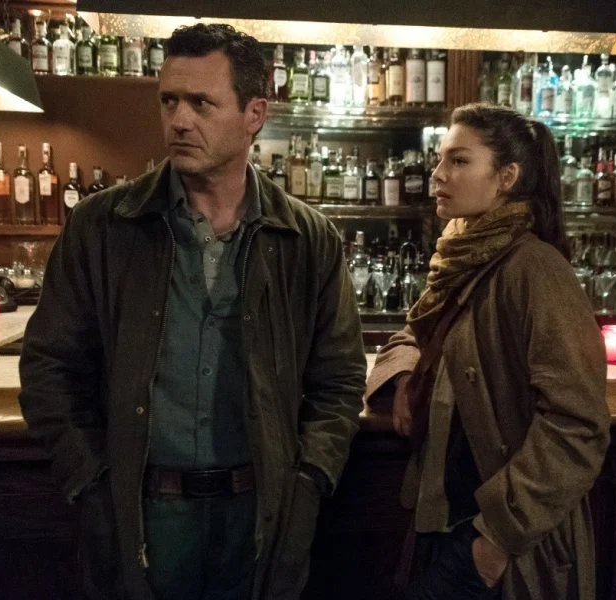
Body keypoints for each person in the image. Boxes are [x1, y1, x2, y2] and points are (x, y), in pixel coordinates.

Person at [19, 23, 366, 600]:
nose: (178, 120)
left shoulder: (307, 240)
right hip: (142, 518)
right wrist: (93, 485)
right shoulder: (103, 227)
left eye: (201, 103)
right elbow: (48, 368)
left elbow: (340, 381)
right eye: (169, 101)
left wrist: (307, 487)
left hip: (260, 520)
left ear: (254, 114)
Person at [365, 103, 610, 599]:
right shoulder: (464, 253)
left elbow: (578, 424)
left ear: (506, 177)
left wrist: (494, 541)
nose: (438, 174)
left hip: (504, 537)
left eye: (459, 161)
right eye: (440, 159)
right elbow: (414, 333)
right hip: (450, 517)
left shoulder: (534, 268)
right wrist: (407, 376)